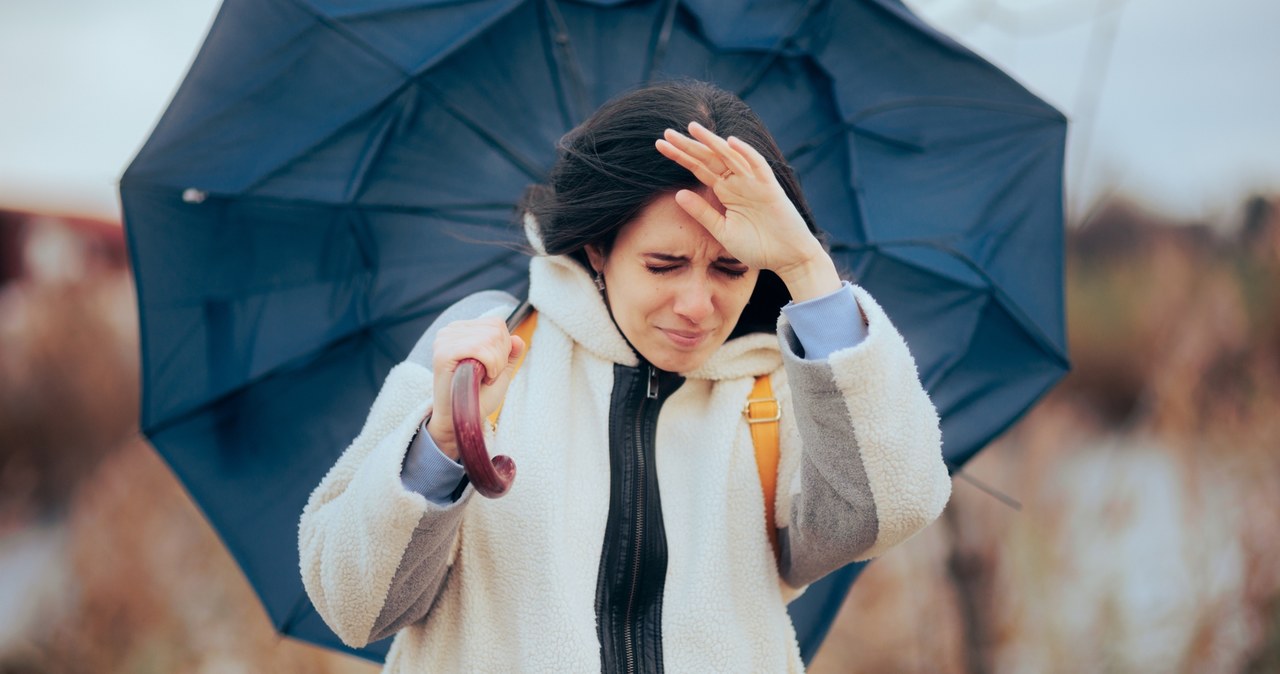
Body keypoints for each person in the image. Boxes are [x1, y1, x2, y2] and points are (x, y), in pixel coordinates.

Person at [299, 80, 951, 673]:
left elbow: (886, 510)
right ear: (598, 248)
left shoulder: (785, 385)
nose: (698, 305)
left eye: (730, 268)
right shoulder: (485, 354)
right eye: (665, 264)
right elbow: (355, 606)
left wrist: (808, 269)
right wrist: (444, 443)